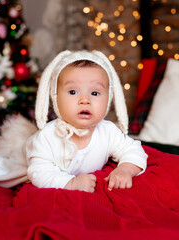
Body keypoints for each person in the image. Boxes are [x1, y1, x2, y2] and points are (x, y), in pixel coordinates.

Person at [26, 50, 147, 193]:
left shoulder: (108, 131)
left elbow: (134, 150)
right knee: (1, 169)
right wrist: (70, 183)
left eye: (94, 93)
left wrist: (125, 169)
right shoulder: (48, 136)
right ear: (56, 97)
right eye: (73, 92)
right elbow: (38, 171)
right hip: (24, 161)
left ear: (108, 99)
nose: (85, 100)